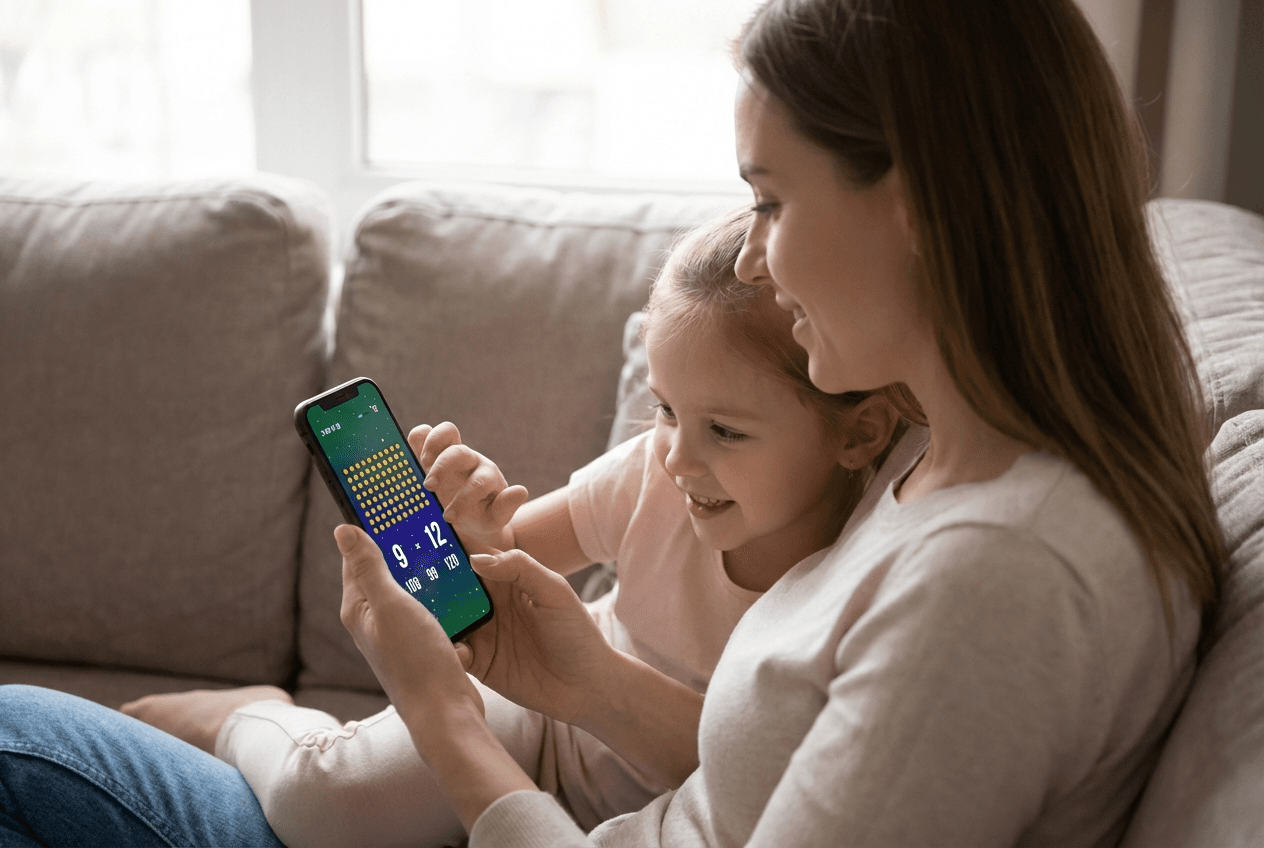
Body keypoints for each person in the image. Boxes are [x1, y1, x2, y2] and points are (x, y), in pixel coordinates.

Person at [0, 0, 1225, 845]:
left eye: (769, 197)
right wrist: (581, 681)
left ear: (914, 200)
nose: (753, 251)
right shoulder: (929, 452)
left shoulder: (1002, 575)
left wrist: (439, 719)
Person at [0, 206, 905, 847]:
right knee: (326, 808)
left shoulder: (878, 575)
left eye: (726, 431)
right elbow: (503, 571)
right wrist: (471, 534)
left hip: (657, 795)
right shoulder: (651, 480)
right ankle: (249, 715)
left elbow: (761, 778)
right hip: (538, 720)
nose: (677, 457)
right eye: (666, 410)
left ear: (858, 432)